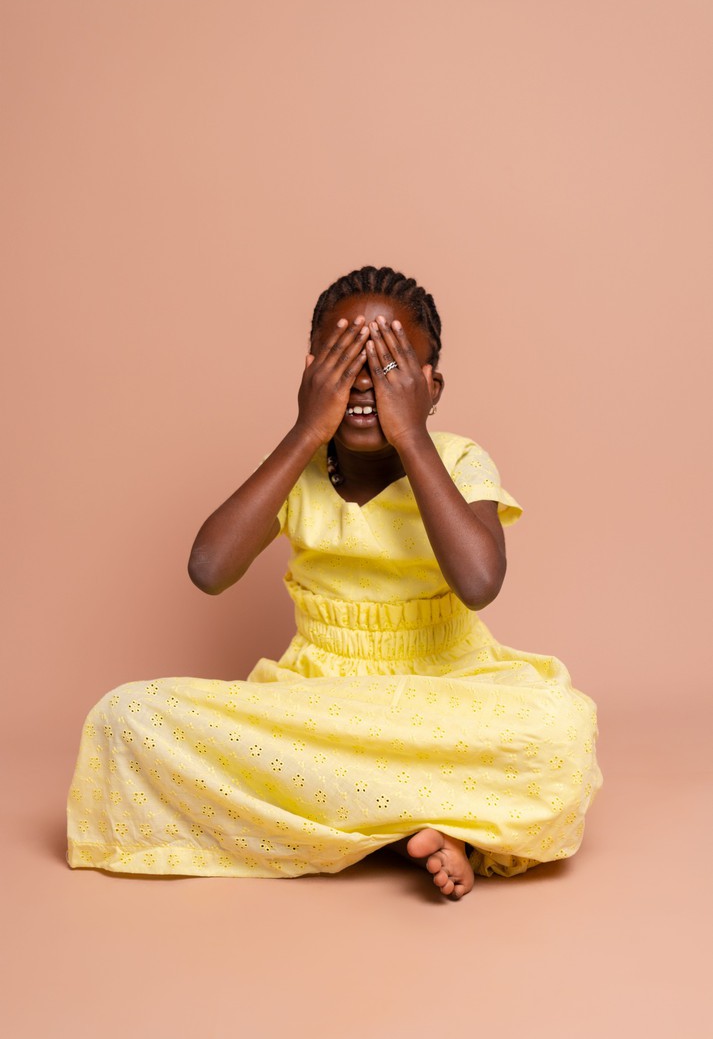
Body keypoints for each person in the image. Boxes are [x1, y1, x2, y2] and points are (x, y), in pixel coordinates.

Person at [66, 265, 603, 900]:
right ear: (311, 374)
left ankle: (373, 818)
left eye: (390, 366)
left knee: (560, 729)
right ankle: (419, 823)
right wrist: (306, 430)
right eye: (345, 361)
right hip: (320, 704)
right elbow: (208, 569)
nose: (366, 383)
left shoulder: (460, 458)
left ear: (431, 387)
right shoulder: (298, 468)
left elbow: (480, 581)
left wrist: (412, 436)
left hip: (450, 691)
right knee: (126, 716)